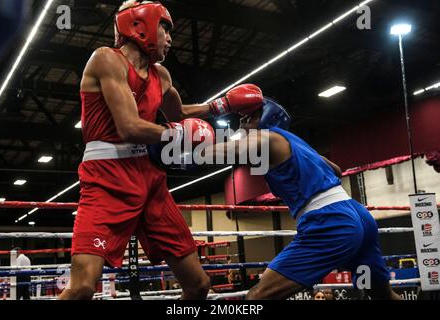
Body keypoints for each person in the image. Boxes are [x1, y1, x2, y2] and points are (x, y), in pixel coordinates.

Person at [58, 0, 262, 300]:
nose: (170, 37)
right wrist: (179, 134)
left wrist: (224, 105)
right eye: (165, 27)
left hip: (150, 180)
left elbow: (179, 113)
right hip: (106, 179)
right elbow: (128, 126)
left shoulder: (161, 75)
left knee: (199, 285)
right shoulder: (106, 59)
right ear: (140, 25)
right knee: (82, 289)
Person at [204, 94, 401, 300]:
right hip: (358, 216)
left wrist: (182, 148)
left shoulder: (265, 137)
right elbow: (336, 170)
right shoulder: (296, 143)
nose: (242, 124)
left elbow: (220, 152)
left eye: (247, 118)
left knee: (257, 298)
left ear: (266, 119)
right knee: (382, 296)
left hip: (331, 224)